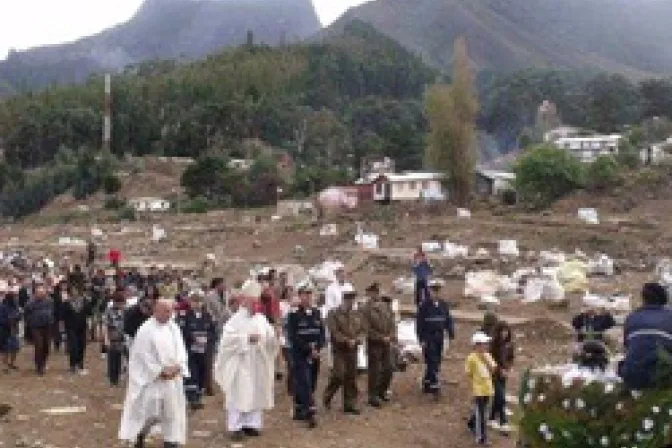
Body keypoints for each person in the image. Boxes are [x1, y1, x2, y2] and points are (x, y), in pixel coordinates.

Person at [118, 299, 189, 448]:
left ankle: (171, 440)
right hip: (151, 380)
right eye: (167, 311)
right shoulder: (146, 330)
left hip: (172, 379)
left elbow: (181, 348)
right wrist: (159, 371)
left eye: (171, 311)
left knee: (171, 411)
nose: (170, 315)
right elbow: (143, 355)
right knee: (149, 412)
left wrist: (178, 366)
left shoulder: (173, 327)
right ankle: (140, 435)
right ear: (156, 311)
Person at [214, 280, 279, 441]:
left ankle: (252, 424)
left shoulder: (261, 319)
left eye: (256, 302)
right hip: (240, 363)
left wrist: (272, 338)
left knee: (255, 391)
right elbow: (226, 342)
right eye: (252, 301)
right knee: (239, 393)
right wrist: (246, 339)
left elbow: (270, 338)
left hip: (257, 361)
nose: (255, 305)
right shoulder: (235, 320)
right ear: (245, 301)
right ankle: (235, 426)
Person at [620, 282, 672, 389]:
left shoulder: (632, 317)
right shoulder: (669, 316)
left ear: (643, 299)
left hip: (634, 377)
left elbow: (627, 346)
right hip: (662, 376)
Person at [287, 284, 325, 428]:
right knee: (305, 382)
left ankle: (299, 407)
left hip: (315, 354)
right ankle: (310, 412)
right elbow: (293, 336)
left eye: (309, 294)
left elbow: (321, 332)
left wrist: (318, 347)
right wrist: (308, 349)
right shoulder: (294, 314)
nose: (307, 297)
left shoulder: (316, 312)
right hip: (300, 354)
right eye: (304, 294)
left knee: (312, 382)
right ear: (299, 296)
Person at [323, 287, 365, 414]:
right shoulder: (333, 313)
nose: (350, 302)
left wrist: (357, 340)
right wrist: (347, 340)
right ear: (343, 300)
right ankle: (328, 395)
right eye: (348, 299)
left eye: (352, 299)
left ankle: (349, 404)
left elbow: (363, 331)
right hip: (340, 349)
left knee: (351, 377)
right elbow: (334, 332)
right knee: (338, 374)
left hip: (353, 350)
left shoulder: (357, 314)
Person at [177, 290, 216, 410]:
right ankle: (192, 398)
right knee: (191, 373)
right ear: (189, 301)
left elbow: (213, 332)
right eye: (194, 300)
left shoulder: (207, 316)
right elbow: (181, 331)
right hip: (190, 350)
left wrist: (207, 339)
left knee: (202, 373)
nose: (197, 303)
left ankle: (198, 395)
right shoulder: (184, 315)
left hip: (204, 350)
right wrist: (192, 337)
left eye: (199, 300)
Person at [416, 280, 455, 397]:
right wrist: (421, 339)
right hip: (428, 337)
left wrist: (451, 332)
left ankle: (427, 382)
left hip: (440, 337)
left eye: (438, 291)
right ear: (430, 291)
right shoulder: (424, 306)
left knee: (436, 360)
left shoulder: (443, 305)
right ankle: (434, 385)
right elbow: (419, 324)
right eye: (434, 290)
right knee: (431, 360)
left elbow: (448, 319)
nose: (436, 293)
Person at [362, 283, 396, 407]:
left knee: (389, 368)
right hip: (374, 343)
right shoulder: (365, 308)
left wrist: (391, 335)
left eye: (377, 291)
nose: (376, 294)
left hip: (387, 342)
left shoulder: (385, 305)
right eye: (373, 292)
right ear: (369, 293)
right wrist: (381, 337)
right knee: (374, 371)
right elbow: (366, 328)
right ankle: (373, 396)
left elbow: (392, 321)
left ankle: (382, 391)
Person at [466, 332, 497, 446]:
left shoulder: (488, 355)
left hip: (488, 388)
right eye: (484, 344)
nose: (486, 346)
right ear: (477, 345)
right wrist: (474, 386)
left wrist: (486, 360)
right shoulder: (471, 358)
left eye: (486, 344)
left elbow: (493, 369)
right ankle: (482, 438)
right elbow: (469, 373)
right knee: (482, 414)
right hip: (479, 390)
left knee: (481, 411)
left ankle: (471, 423)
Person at [488, 321, 515, 435]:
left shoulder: (509, 345)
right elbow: (491, 360)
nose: (504, 334)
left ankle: (492, 418)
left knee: (499, 397)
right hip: (494, 374)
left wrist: (508, 369)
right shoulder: (493, 344)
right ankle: (504, 423)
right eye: (502, 331)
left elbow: (510, 358)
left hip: (504, 374)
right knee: (501, 396)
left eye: (506, 331)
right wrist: (500, 370)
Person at [324, 265, 352, 368]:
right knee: (335, 341)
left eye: (343, 273)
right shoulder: (330, 288)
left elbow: (353, 302)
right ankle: (333, 366)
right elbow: (330, 305)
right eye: (340, 273)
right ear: (336, 275)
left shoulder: (349, 287)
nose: (342, 275)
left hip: (348, 318)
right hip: (335, 318)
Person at [62, 286, 94, 374]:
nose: (74, 293)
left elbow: (89, 314)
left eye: (76, 291)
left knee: (81, 346)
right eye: (72, 291)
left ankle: (80, 364)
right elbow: (63, 317)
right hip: (70, 328)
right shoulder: (66, 303)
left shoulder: (85, 302)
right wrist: (63, 330)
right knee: (73, 347)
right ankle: (72, 365)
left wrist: (90, 327)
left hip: (82, 327)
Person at [23, 284, 54, 375]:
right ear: (35, 293)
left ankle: (43, 362)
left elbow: (52, 311)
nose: (41, 294)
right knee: (39, 345)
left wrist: (50, 320)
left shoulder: (49, 301)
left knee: (46, 346)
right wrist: (30, 322)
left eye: (42, 292)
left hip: (47, 326)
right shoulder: (30, 303)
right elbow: (26, 314)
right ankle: (39, 366)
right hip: (36, 327)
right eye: (39, 292)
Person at [103, 289, 127, 386]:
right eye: (119, 303)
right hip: (112, 338)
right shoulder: (109, 311)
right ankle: (112, 380)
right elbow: (105, 325)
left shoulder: (126, 311)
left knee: (121, 359)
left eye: (122, 303)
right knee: (112, 359)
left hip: (123, 338)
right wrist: (106, 339)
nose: (121, 305)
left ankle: (118, 378)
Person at [0, 292, 22, 373]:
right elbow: (1, 319)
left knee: (15, 348)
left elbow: (19, 316)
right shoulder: (2, 307)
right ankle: (5, 367)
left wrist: (17, 317)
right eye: (14, 297)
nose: (15, 299)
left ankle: (12, 363)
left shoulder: (15, 307)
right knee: (5, 350)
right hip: (5, 331)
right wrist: (9, 320)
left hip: (14, 330)